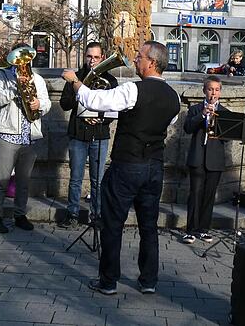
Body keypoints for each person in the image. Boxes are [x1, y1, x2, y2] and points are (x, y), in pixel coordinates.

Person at [62, 41, 180, 296]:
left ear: (151, 62)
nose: (135, 60)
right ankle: (148, 280)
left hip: (128, 165)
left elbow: (93, 98)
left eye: (139, 56)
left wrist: (74, 81)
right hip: (154, 167)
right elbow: (164, 121)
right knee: (149, 226)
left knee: (112, 223)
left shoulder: (133, 89)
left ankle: (108, 281)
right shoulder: (174, 96)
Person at [0, 44, 51, 233]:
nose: (23, 63)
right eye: (19, 59)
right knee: (2, 178)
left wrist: (39, 104)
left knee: (24, 180)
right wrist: (16, 88)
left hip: (29, 135)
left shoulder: (37, 79)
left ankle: (19, 214)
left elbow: (47, 103)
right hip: (8, 133)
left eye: (26, 59)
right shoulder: (1, 75)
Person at [58, 42, 118, 229]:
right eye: (89, 56)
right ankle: (72, 214)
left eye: (96, 57)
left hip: (99, 135)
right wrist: (78, 92)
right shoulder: (75, 77)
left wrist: (100, 119)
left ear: (102, 58)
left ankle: (97, 215)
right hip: (78, 134)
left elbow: (114, 108)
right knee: (75, 177)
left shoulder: (110, 80)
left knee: (97, 180)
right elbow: (64, 104)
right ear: (84, 57)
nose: (92, 61)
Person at [182, 75, 229, 244]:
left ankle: (204, 229)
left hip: (214, 160)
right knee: (195, 194)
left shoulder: (225, 112)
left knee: (209, 196)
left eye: (216, 90)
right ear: (204, 91)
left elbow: (227, 138)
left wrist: (218, 122)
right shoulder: (195, 109)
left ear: (220, 92)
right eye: (210, 89)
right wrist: (203, 115)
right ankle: (190, 230)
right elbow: (187, 128)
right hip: (198, 157)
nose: (213, 93)